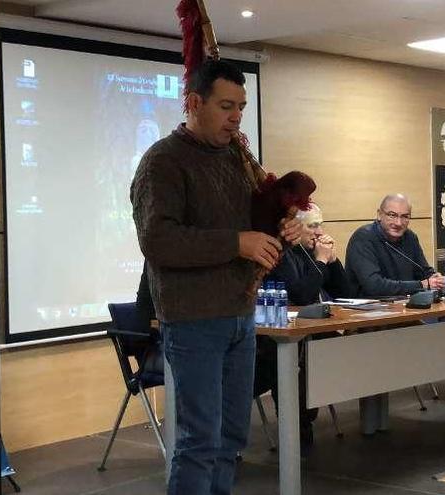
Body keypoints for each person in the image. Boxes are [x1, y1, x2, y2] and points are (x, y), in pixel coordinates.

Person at [130, 59, 301, 495]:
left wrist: (284, 226)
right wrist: (237, 243)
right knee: (199, 441)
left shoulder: (235, 157)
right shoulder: (162, 163)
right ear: (193, 103)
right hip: (192, 321)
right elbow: (159, 240)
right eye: (226, 105)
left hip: (241, 315)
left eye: (241, 106)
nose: (236, 116)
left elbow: (256, 218)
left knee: (230, 440)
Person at [255, 203, 352, 448]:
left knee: (350, 348)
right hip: (275, 339)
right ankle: (299, 430)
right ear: (296, 229)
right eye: (313, 226)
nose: (319, 232)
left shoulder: (312, 251)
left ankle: (310, 415)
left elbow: (346, 293)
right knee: (300, 356)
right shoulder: (284, 254)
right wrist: (320, 261)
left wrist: (332, 261)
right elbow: (302, 295)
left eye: (321, 225)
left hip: (313, 332)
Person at [346, 194, 445, 297]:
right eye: (392, 215)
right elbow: (374, 286)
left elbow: (423, 272)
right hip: (367, 309)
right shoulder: (364, 238)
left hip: (404, 306)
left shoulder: (410, 237)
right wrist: (421, 284)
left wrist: (436, 279)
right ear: (379, 215)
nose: (398, 223)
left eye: (405, 216)